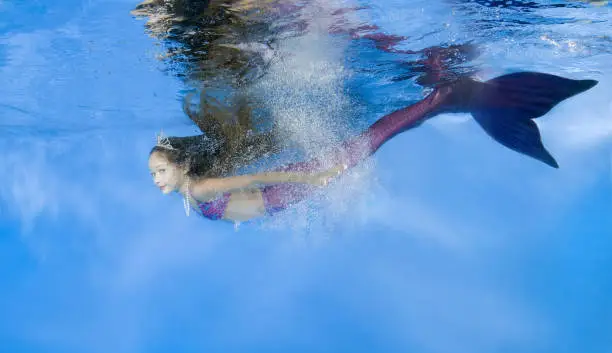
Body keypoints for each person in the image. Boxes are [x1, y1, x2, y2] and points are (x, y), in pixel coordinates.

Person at [149, 69, 597, 223]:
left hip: (288, 188)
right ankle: (438, 98)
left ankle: (438, 97)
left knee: (365, 144)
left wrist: (312, 176)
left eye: (159, 171)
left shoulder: (201, 188)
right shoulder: (194, 191)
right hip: (285, 193)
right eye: (155, 174)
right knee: (364, 144)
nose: (156, 180)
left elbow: (253, 178)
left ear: (181, 167)